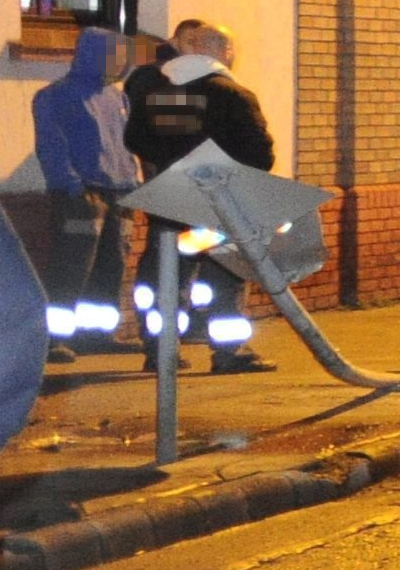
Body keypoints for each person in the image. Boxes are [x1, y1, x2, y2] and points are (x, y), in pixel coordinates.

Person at [120, 18, 277, 373]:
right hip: (223, 204)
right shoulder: (233, 95)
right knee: (226, 278)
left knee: (165, 278)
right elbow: (260, 155)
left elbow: (141, 141)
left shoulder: (163, 91)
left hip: (172, 202)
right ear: (225, 51)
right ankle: (229, 353)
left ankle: (161, 352)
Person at [29, 26, 133, 354]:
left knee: (111, 266)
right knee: (71, 267)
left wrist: (132, 182)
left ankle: (96, 336)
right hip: (81, 196)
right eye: (112, 55)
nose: (119, 63)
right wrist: (72, 186)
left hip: (119, 193)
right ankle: (54, 340)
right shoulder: (54, 96)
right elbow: (51, 146)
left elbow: (124, 145)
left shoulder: (118, 96)